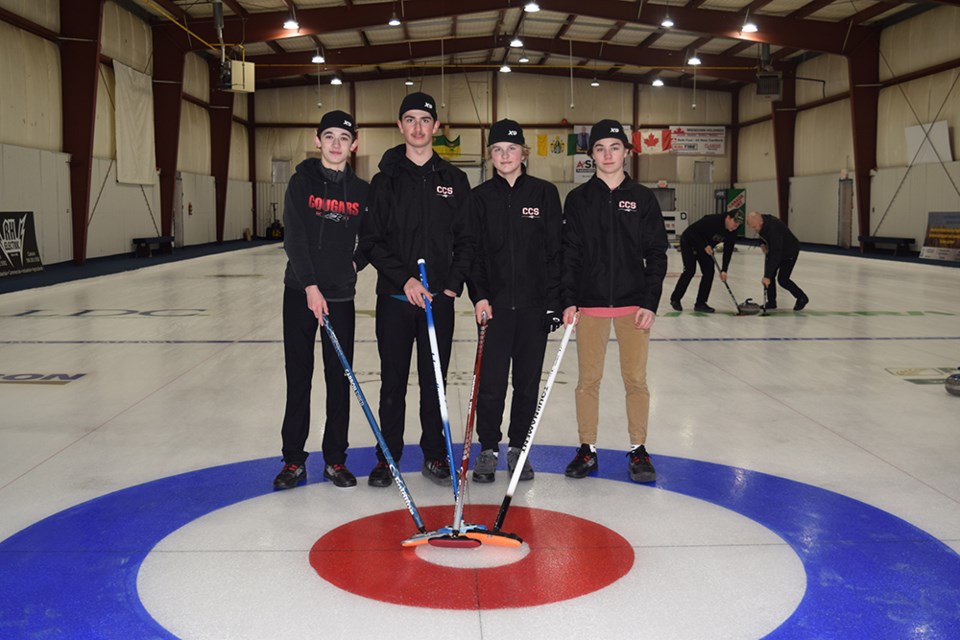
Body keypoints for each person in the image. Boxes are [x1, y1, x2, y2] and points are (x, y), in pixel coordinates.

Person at [358, 92, 474, 487]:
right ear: (400, 126)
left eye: (425, 120)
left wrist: (451, 287)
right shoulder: (384, 180)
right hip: (395, 300)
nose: (418, 127)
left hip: (436, 302)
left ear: (436, 127)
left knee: (434, 383)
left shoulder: (454, 181)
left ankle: (435, 455)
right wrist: (403, 279)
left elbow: (467, 240)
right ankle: (387, 457)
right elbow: (372, 241)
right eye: (410, 120)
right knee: (392, 383)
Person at [560, 119, 668, 484]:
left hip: (632, 305)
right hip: (589, 306)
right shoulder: (578, 199)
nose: (608, 155)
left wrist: (650, 301)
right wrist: (569, 300)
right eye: (600, 148)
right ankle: (587, 448)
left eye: (614, 147)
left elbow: (657, 254)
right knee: (587, 380)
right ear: (591, 155)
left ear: (626, 152)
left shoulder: (642, 198)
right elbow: (570, 253)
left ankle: (638, 448)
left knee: (635, 380)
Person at [273, 110, 369, 490]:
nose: (335, 144)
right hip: (300, 293)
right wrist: (311, 285)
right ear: (318, 140)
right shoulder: (301, 183)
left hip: (341, 296)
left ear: (353, 145)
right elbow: (293, 237)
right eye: (328, 136)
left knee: (338, 379)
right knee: (299, 377)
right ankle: (293, 460)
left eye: (343, 138)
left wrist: (353, 265)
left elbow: (374, 238)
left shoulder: (361, 191)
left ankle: (335, 460)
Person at [468, 119, 563, 483]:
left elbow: (555, 251)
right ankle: (489, 448)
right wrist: (479, 296)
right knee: (490, 383)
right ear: (490, 155)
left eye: (511, 149)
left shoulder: (544, 194)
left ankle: (519, 448)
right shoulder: (479, 198)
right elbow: (473, 254)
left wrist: (554, 301)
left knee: (526, 383)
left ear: (523, 153)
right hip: (493, 310)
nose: (505, 156)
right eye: (497, 150)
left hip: (533, 308)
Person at [669, 212, 741, 313]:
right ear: (728, 218)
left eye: (737, 225)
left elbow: (728, 250)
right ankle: (675, 299)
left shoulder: (732, 231)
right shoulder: (712, 220)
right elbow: (693, 232)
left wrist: (724, 270)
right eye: (734, 223)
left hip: (705, 247)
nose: (734, 227)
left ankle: (701, 303)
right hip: (689, 242)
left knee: (709, 272)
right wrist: (704, 245)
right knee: (690, 270)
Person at [745, 211, 809, 311]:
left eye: (754, 227)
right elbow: (761, 234)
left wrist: (766, 276)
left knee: (782, 279)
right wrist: (762, 243)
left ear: (760, 222)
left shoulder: (773, 229)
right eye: (752, 227)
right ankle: (771, 302)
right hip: (777, 249)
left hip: (789, 251)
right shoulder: (762, 222)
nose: (754, 230)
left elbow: (776, 254)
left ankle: (802, 297)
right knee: (770, 276)